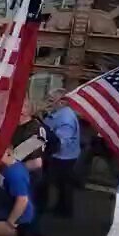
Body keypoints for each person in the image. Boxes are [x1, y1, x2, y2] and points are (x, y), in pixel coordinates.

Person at [40, 90, 81, 218]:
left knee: (62, 184)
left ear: (62, 102)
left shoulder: (66, 119)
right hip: (61, 155)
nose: (48, 103)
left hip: (63, 156)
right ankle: (60, 208)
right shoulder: (58, 113)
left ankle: (64, 211)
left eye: (52, 101)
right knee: (62, 184)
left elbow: (61, 141)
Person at [0, 144, 39, 236]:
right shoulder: (8, 168)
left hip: (19, 221)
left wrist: (10, 223)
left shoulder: (15, 174)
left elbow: (22, 200)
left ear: (8, 152)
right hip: (5, 212)